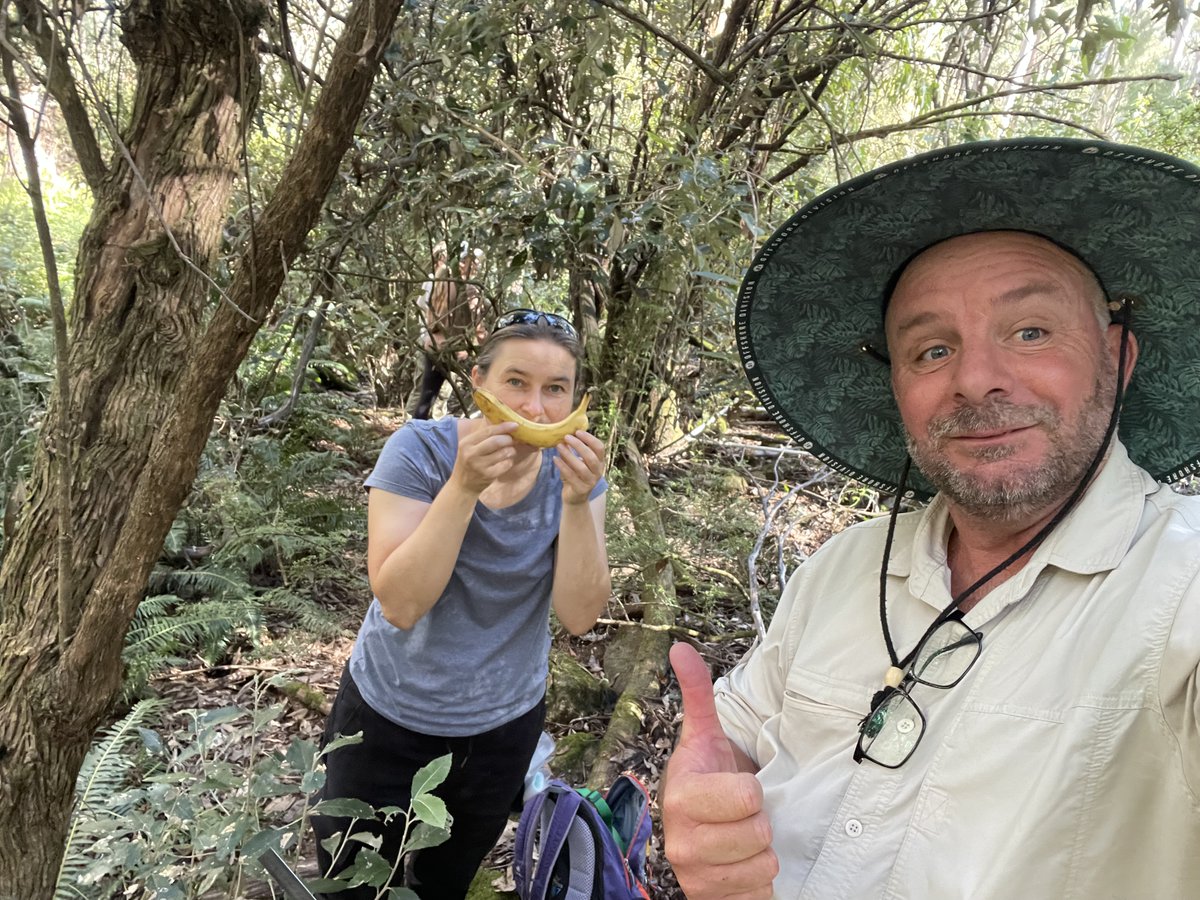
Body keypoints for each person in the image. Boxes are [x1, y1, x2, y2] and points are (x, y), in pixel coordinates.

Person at [662, 138, 1200, 899]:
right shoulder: (842, 567)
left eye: (1031, 332)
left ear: (1118, 359)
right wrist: (697, 782)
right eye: (932, 349)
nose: (976, 380)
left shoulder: (1180, 581)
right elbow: (737, 735)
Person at [313, 308, 610, 899]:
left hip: (500, 730)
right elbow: (399, 603)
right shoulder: (418, 451)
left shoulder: (576, 476)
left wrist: (578, 505)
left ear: (577, 401)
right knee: (349, 883)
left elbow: (580, 615)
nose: (535, 408)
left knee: (442, 884)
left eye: (556, 390)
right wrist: (464, 487)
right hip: (386, 717)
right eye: (516, 382)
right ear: (479, 385)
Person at [413, 242, 489, 420]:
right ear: (463, 263)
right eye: (474, 264)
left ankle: (416, 434)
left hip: (432, 345)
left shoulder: (440, 282)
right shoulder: (467, 289)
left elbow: (426, 311)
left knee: (426, 398)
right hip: (449, 349)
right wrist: (487, 345)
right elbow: (479, 328)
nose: (476, 268)